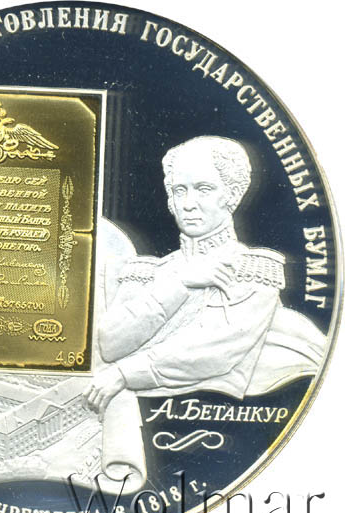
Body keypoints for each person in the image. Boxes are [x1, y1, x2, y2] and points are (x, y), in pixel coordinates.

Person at [84, 135, 323, 415]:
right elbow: (110, 344)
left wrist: (124, 373)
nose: (188, 203)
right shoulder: (148, 272)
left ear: (232, 195)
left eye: (203, 189)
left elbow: (218, 346)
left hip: (217, 414)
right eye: (179, 190)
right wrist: (180, 282)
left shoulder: (253, 268)